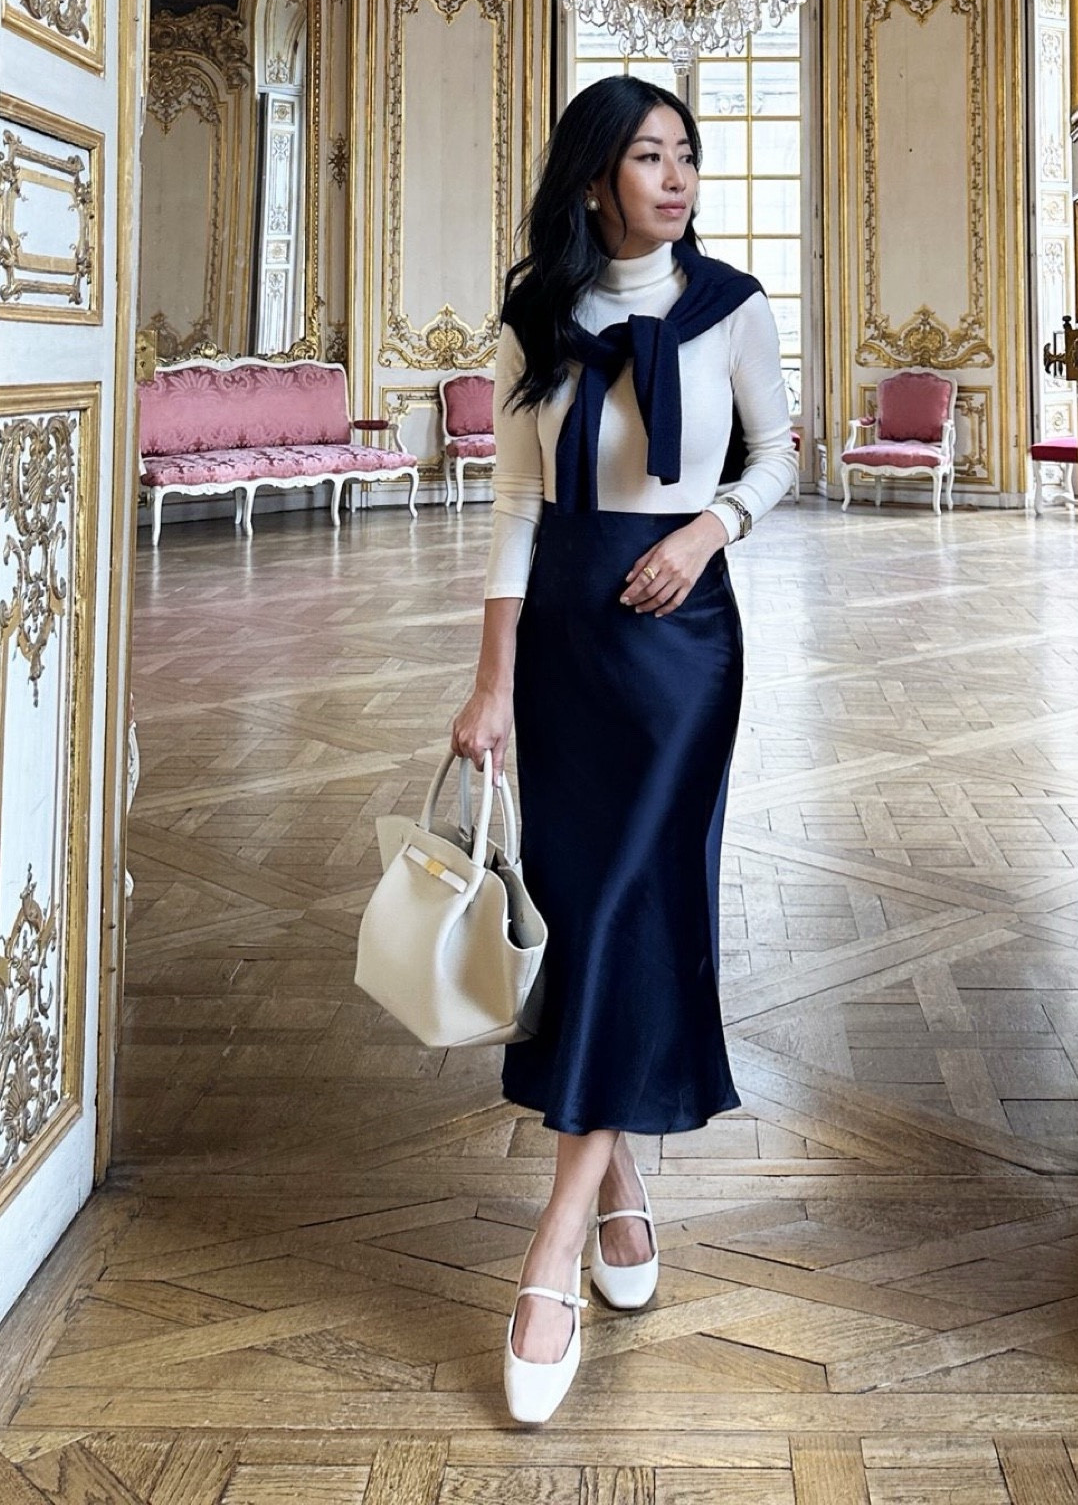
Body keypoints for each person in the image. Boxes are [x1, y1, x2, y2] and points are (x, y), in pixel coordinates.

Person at [451, 75, 796, 1424]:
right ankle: (624, 1184)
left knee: (641, 902)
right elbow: (513, 515)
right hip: (562, 650)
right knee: (589, 913)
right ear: (596, 176)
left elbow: (777, 454)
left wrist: (708, 529)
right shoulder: (533, 316)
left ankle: (547, 1252)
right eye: (649, 155)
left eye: (688, 156)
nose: (677, 175)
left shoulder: (730, 311)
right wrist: (489, 688)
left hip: (684, 647)